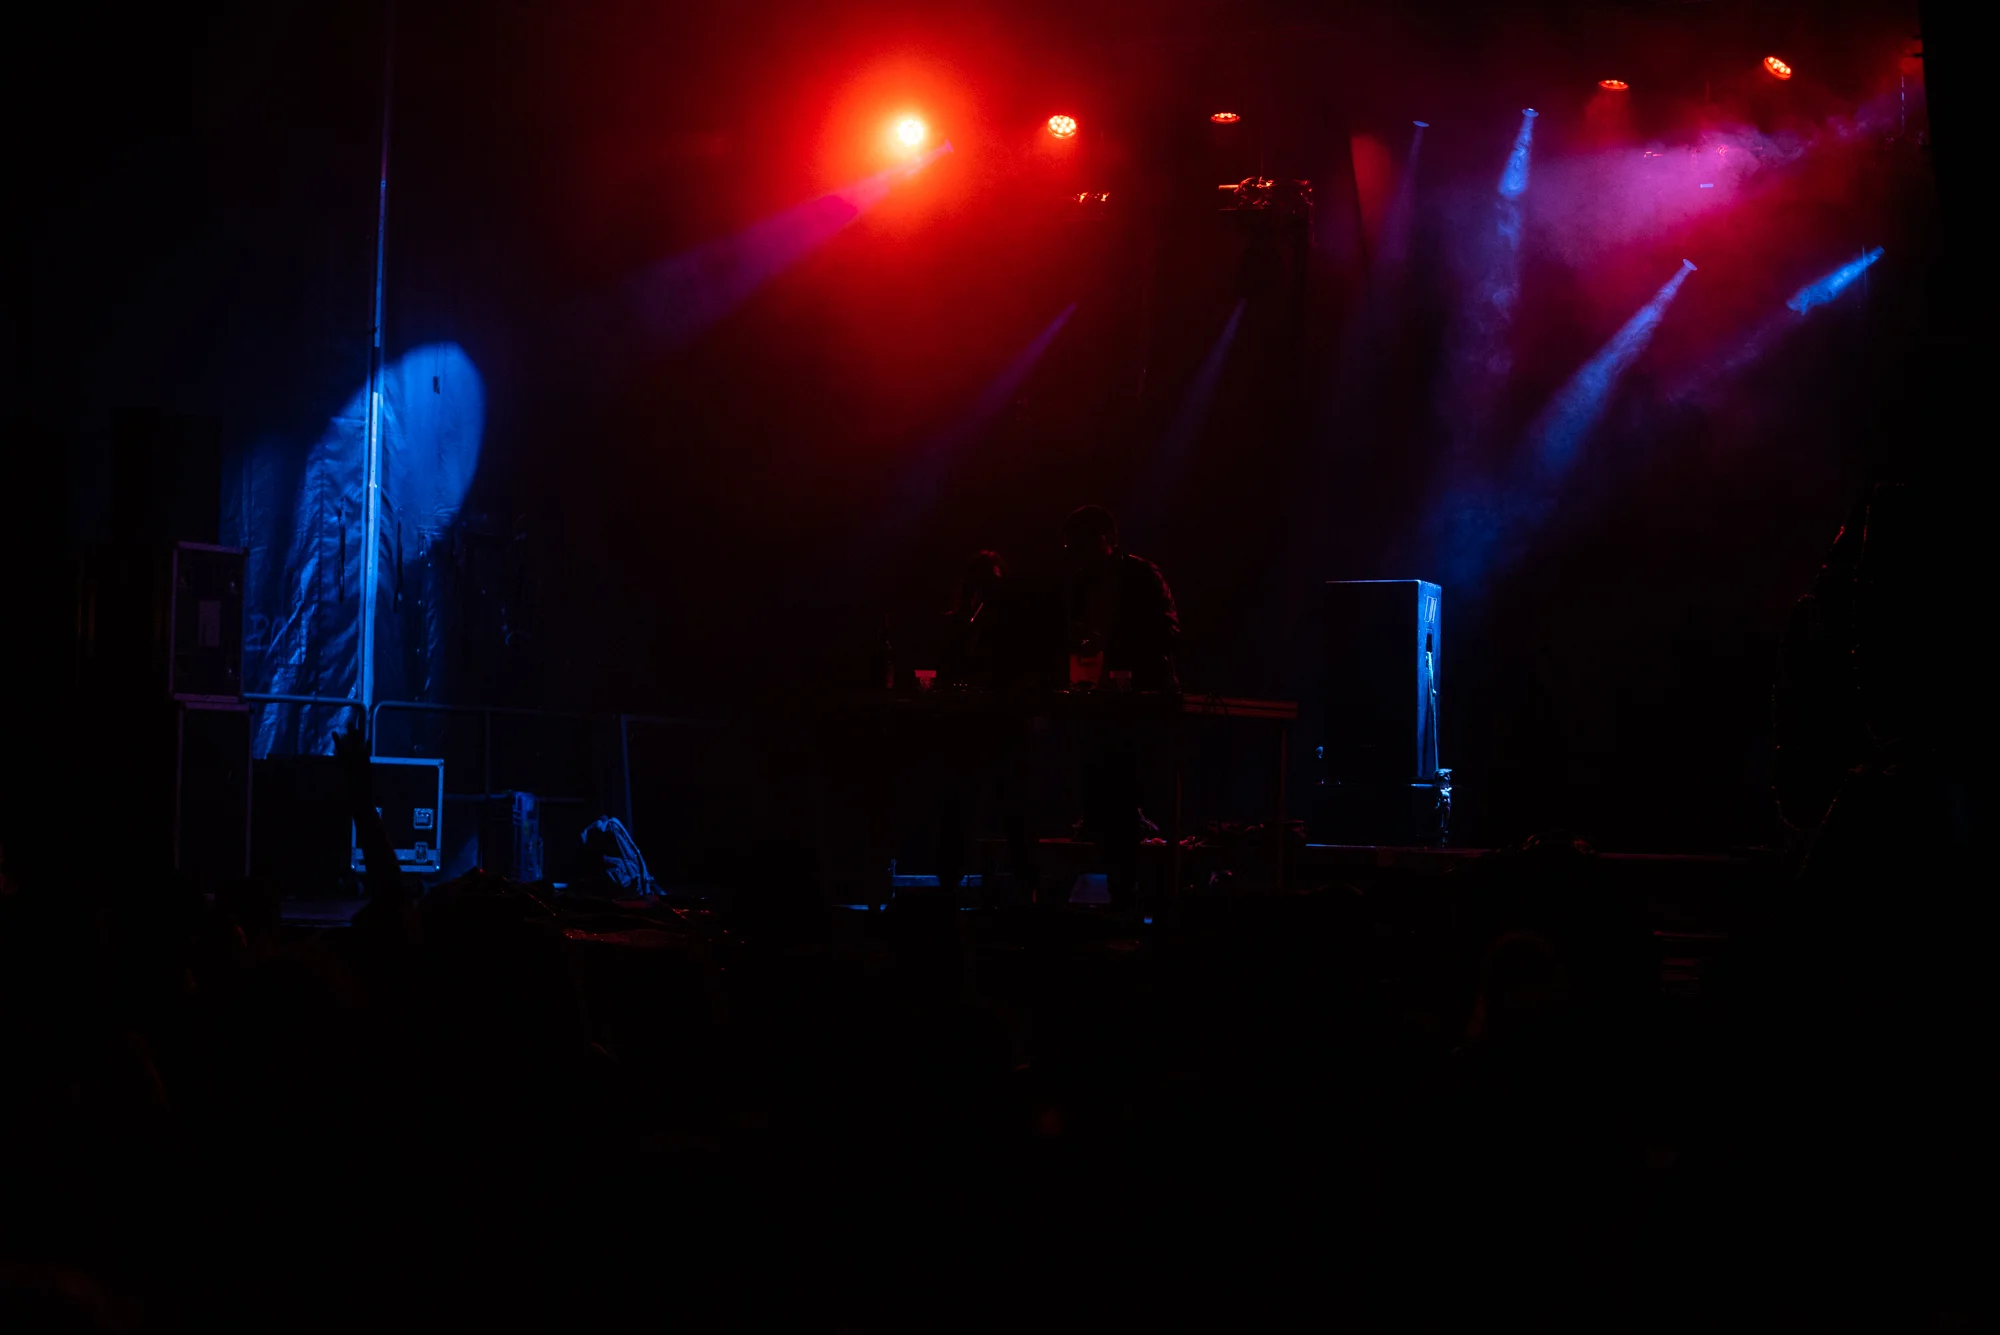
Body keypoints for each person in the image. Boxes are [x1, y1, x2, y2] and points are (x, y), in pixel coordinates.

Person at [1060, 505, 1178, 911]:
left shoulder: (1141, 575)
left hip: (1139, 704)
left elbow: (1168, 632)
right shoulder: (1083, 582)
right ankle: (1124, 892)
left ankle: (1140, 893)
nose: (1075, 553)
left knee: (1133, 794)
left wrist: (1123, 654)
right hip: (1101, 703)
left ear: (1104, 539)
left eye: (1079, 544)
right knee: (1105, 797)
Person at [932, 550, 1039, 903]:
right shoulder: (958, 625)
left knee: (1016, 811)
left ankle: (1026, 886)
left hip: (1003, 726)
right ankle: (949, 886)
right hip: (969, 729)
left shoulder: (1012, 629)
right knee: (960, 810)